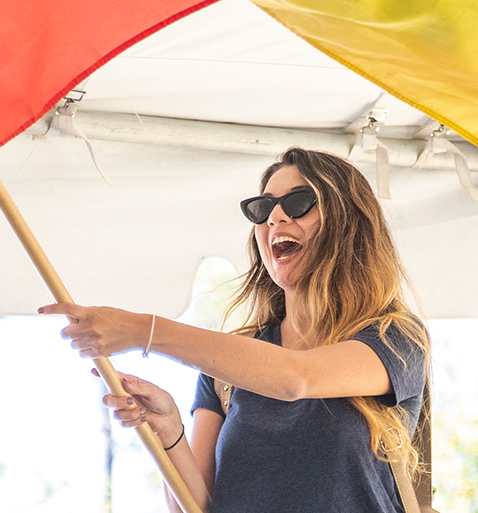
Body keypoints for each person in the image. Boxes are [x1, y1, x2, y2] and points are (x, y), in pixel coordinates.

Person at [39, 147, 429, 513]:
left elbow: (295, 378)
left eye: (298, 202)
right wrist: (170, 430)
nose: (275, 218)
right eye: (263, 209)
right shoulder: (227, 366)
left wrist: (145, 330)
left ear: (348, 222)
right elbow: (197, 507)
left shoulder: (395, 338)